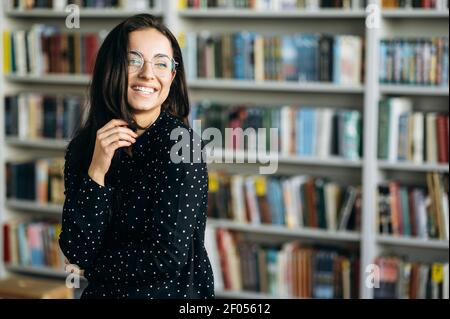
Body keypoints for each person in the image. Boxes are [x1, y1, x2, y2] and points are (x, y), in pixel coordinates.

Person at [58, 14, 214, 299]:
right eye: (134, 60)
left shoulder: (183, 146)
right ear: (111, 67)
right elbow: (77, 247)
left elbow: (165, 258)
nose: (147, 74)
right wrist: (97, 169)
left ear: (172, 76)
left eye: (161, 63)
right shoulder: (84, 147)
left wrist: (91, 267)